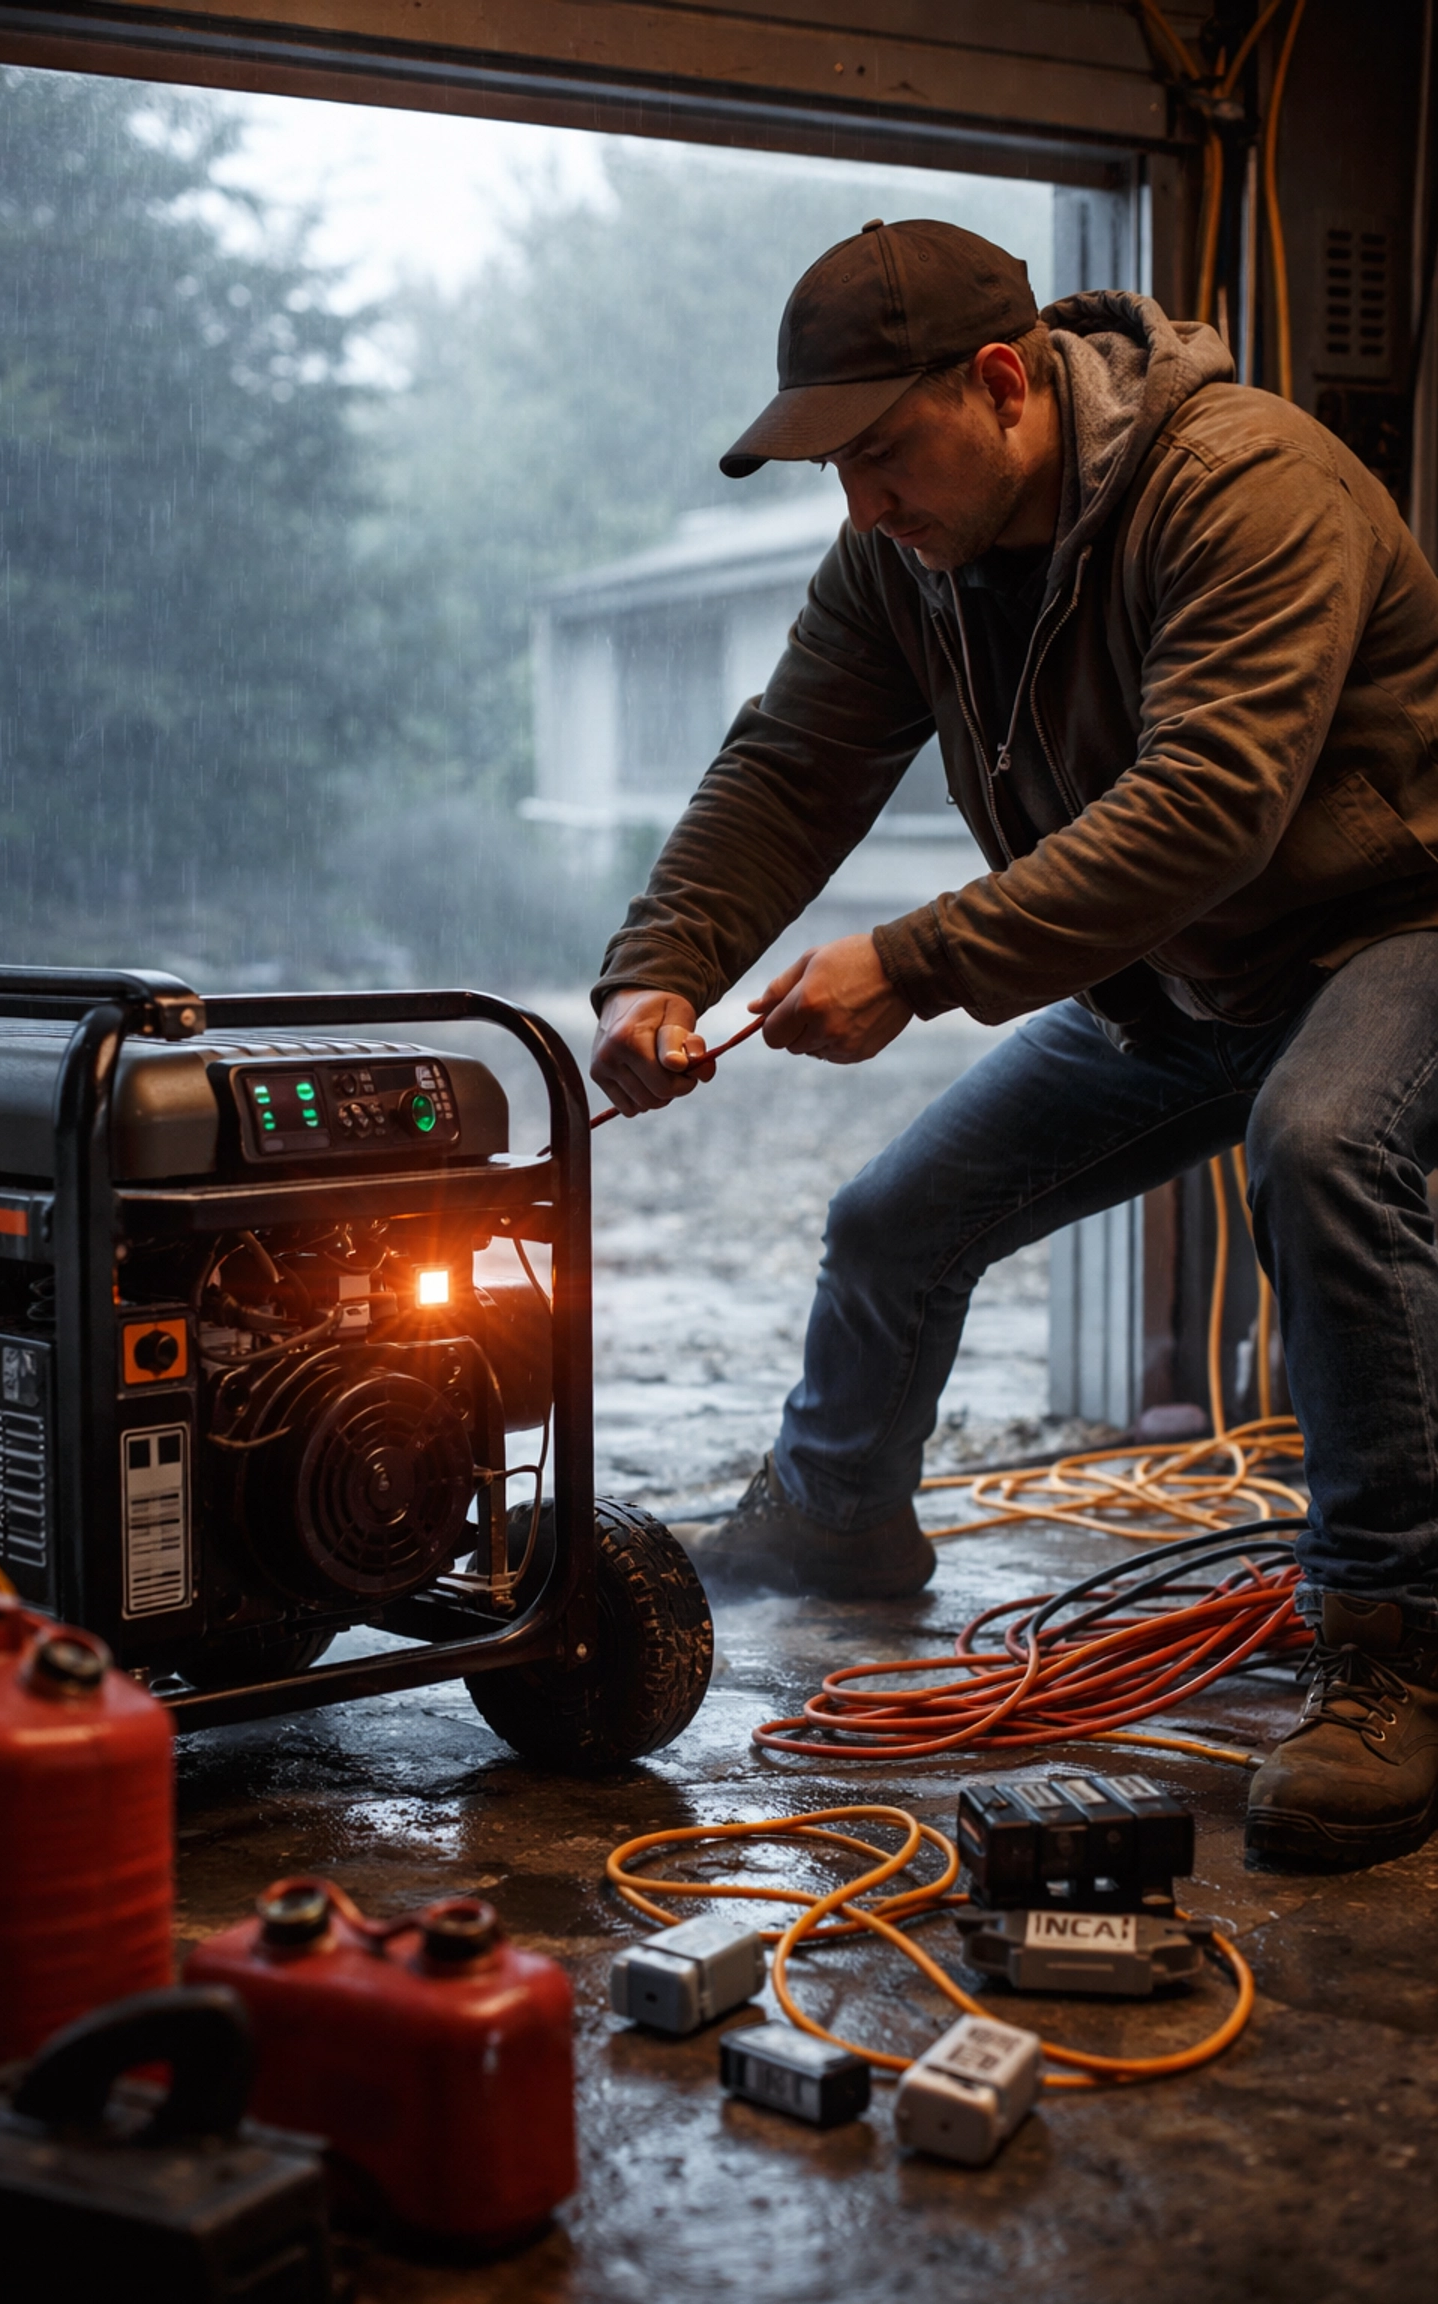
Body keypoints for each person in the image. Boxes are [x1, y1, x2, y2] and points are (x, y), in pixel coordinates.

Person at [588, 219, 1438, 1869]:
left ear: (1002, 383)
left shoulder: (1249, 484)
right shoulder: (907, 555)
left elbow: (1208, 808)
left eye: (884, 456)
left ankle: (1391, 1644)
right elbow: (790, 767)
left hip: (1393, 927)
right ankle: (840, 1519)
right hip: (1185, 971)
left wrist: (914, 963)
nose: (864, 507)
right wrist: (657, 965)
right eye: (835, 472)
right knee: (892, 1221)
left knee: (1324, 1146)